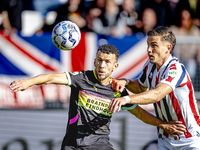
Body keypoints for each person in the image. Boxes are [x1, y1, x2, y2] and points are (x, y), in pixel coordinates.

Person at [10, 44, 186, 150]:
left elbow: (139, 113)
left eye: (107, 62)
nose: (102, 65)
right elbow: (50, 77)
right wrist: (28, 82)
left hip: (99, 145)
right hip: (72, 145)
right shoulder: (81, 78)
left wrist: (162, 124)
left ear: (114, 66)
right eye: (99, 60)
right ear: (94, 61)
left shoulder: (116, 89)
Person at [109, 27, 200, 149]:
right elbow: (140, 87)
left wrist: (127, 99)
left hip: (189, 139)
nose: (148, 50)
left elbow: (157, 94)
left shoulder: (176, 69)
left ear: (168, 48)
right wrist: (126, 82)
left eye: (154, 45)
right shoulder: (150, 65)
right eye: (148, 45)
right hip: (165, 139)